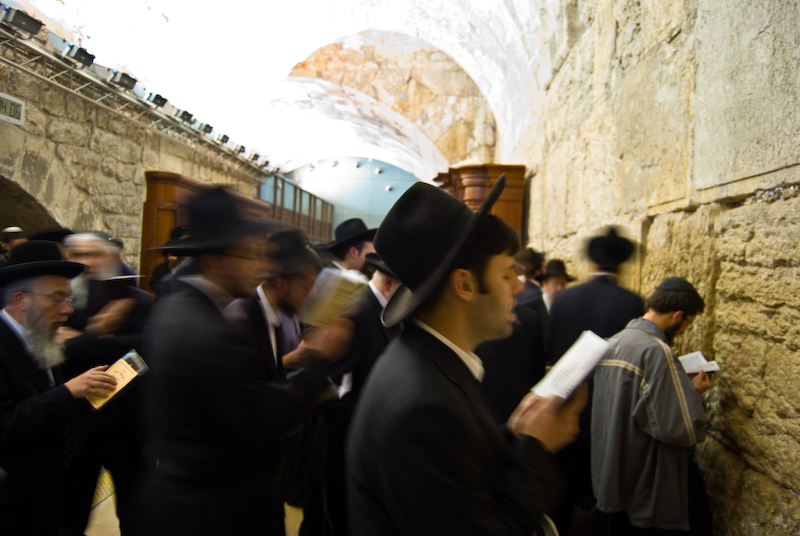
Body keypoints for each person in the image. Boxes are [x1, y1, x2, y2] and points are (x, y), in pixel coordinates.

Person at [347, 176, 586, 535]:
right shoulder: (422, 408)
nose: (519, 286)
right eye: (507, 273)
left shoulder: (428, 359)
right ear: (465, 284)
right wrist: (537, 450)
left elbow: (460, 463)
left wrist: (517, 435)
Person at [137, 188, 346, 536]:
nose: (261, 266)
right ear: (214, 261)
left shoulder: (182, 307)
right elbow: (260, 420)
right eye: (249, 254)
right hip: (213, 513)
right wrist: (319, 358)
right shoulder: (207, 333)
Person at [225, 228, 345, 533]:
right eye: (307, 285)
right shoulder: (240, 319)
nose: (312, 296)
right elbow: (257, 411)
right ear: (280, 281)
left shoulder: (281, 315)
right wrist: (319, 358)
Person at [0, 240, 117, 535]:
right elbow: (6, 424)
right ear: (20, 300)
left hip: (51, 498)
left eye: (69, 298)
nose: (67, 309)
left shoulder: (40, 335)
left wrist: (88, 394)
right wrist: (69, 392)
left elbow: (48, 407)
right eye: (57, 299)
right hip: (14, 507)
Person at [545, 226, 645, 535]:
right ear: (622, 264)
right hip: (607, 408)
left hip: (563, 402)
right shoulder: (631, 303)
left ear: (593, 261)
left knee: (559, 487)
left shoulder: (564, 298)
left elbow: (549, 351)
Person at [592, 277, 712, 535]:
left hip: (612, 465)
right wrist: (693, 392)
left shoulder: (616, 340)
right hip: (643, 473)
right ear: (677, 315)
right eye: (687, 324)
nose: (683, 332)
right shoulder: (656, 350)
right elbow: (683, 427)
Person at [60, 232, 153, 536]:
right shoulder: (64, 306)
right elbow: (59, 357)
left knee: (135, 514)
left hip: (128, 426)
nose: (86, 263)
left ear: (111, 258)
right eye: (78, 255)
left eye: (94, 254)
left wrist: (87, 340)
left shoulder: (138, 301)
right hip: (80, 426)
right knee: (72, 514)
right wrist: (99, 331)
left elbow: (145, 351)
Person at [302, 253, 402, 536]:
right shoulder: (356, 311)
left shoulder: (383, 311)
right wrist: (362, 438)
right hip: (339, 451)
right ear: (388, 283)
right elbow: (330, 390)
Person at [520, 259, 574, 350]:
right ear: (544, 284)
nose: (560, 288)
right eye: (555, 284)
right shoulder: (528, 308)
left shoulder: (569, 308)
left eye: (563, 284)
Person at [149, 225, 192, 299]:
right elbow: (152, 284)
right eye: (170, 256)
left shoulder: (185, 267)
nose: (172, 258)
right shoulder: (160, 269)